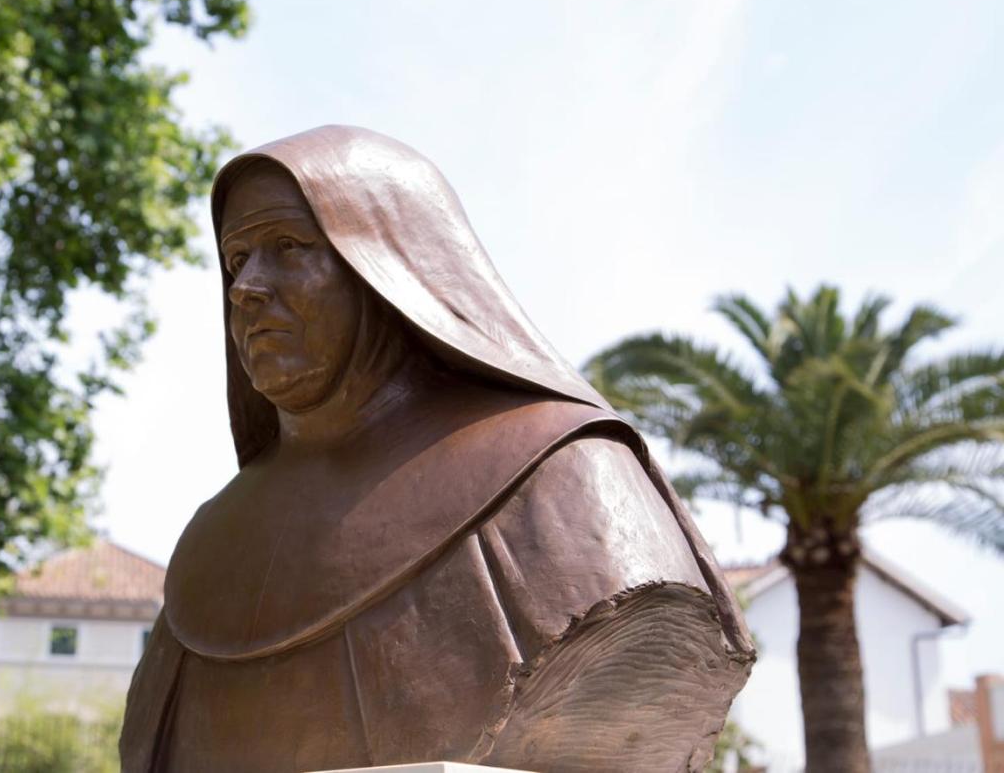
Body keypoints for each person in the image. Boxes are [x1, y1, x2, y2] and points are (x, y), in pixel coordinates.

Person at [120, 126, 754, 773]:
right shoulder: (212, 544)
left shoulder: (566, 481)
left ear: (394, 269)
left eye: (289, 246)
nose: (245, 287)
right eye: (235, 260)